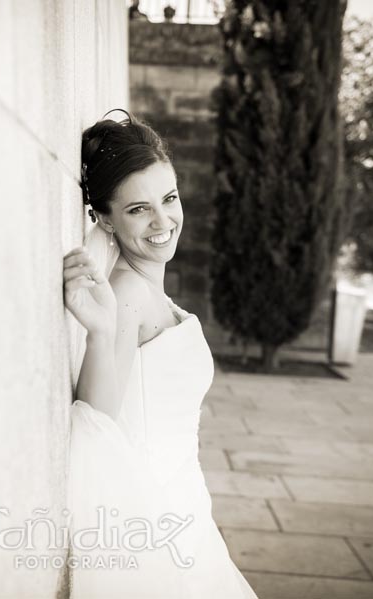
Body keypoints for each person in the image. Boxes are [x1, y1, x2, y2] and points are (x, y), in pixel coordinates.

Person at [62, 109, 259, 598]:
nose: (162, 220)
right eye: (137, 209)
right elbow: (98, 420)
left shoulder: (151, 292)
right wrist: (100, 332)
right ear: (103, 217)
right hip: (155, 512)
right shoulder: (127, 295)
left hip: (186, 504)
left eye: (168, 199)